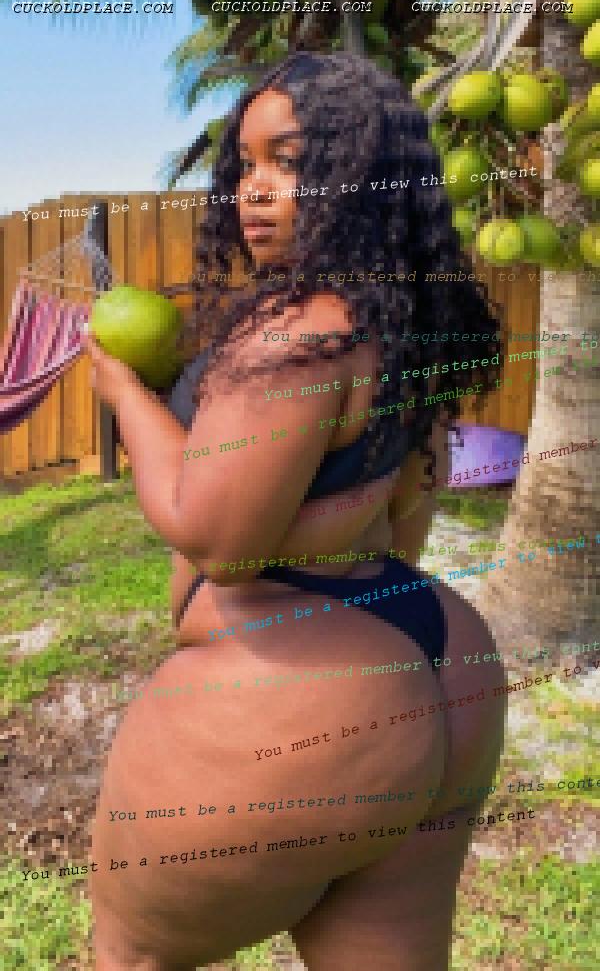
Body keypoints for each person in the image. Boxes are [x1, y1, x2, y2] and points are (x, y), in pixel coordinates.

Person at [86, 51, 508, 971]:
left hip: (302, 696)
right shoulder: (398, 324)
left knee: (130, 960)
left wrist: (124, 393)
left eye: (293, 162)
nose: (256, 188)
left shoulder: (295, 336)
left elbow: (220, 542)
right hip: (439, 657)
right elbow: (407, 510)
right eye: (246, 163)